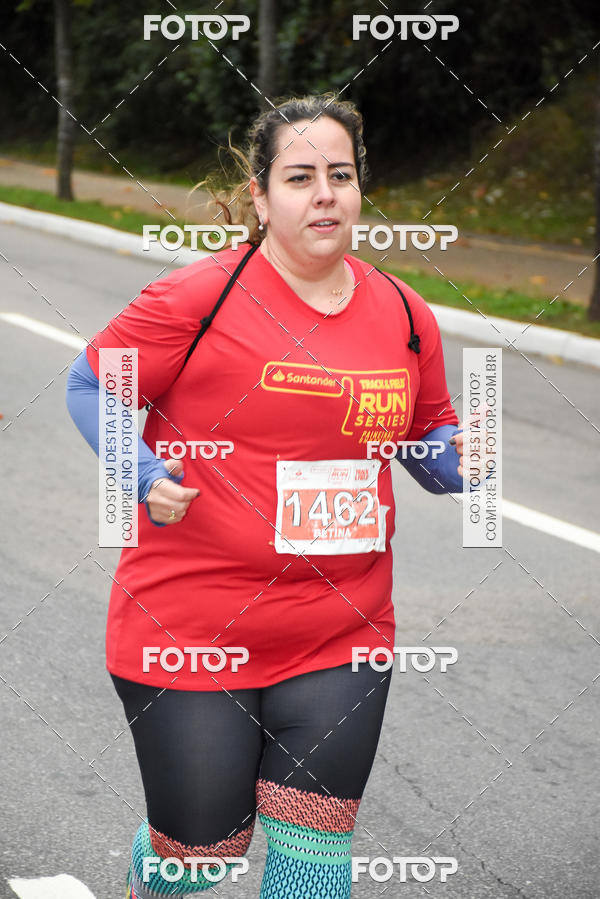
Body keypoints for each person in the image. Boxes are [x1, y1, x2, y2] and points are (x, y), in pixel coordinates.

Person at [66, 93, 466, 899]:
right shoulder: (200, 297)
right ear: (261, 195)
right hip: (192, 626)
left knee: (314, 866)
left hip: (341, 632)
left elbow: (430, 446)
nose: (325, 193)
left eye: (341, 175)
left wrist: (466, 458)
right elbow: (93, 383)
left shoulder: (402, 312)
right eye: (301, 176)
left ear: (360, 189)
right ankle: (162, 868)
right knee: (205, 855)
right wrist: (144, 477)